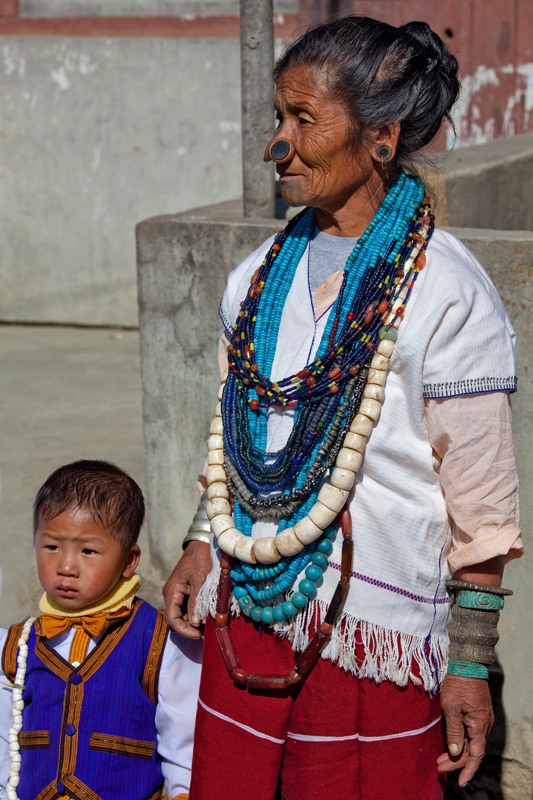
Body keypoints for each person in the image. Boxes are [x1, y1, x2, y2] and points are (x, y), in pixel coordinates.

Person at [163, 16, 522, 800]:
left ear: (381, 135)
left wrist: (467, 659)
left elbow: (480, 496)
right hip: (247, 616)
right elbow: (234, 426)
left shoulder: (445, 291)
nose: (276, 145)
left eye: (302, 120)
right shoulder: (256, 277)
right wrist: (201, 540)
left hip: (372, 638)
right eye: (277, 118)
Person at [0, 460, 202, 800]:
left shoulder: (161, 640)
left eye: (88, 551)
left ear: (128, 560)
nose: (65, 567)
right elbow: (4, 737)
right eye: (51, 546)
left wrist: (183, 792)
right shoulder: (16, 645)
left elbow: (183, 733)